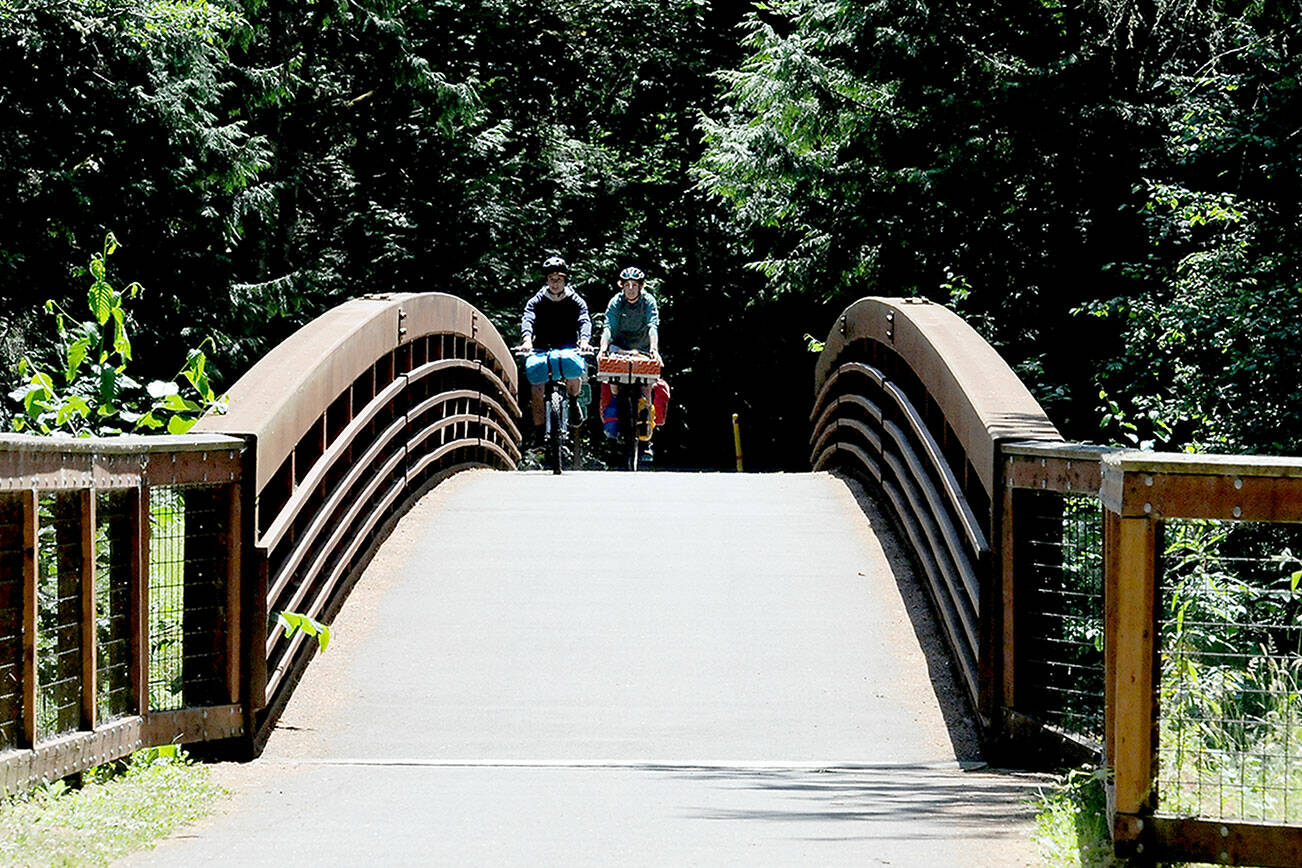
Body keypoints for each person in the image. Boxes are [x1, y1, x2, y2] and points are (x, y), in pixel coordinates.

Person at [518, 256, 592, 443]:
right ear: (547, 280)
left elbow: (584, 320)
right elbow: (528, 319)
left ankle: (574, 401)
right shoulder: (537, 301)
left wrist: (584, 341)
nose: (555, 283)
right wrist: (527, 340)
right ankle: (540, 432)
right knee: (536, 388)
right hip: (542, 346)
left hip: (568, 346)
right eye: (551, 279)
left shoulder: (576, 301)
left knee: (574, 371)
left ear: (565, 279)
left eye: (558, 279)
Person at [599, 265, 660, 409]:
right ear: (622, 286)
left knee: (646, 387)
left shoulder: (648, 301)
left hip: (642, 349)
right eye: (627, 285)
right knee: (613, 377)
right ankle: (614, 403)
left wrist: (654, 349)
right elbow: (608, 327)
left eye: (634, 285)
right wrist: (603, 349)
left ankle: (645, 421)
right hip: (620, 348)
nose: (631, 288)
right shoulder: (616, 302)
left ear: (640, 286)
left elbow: (653, 326)